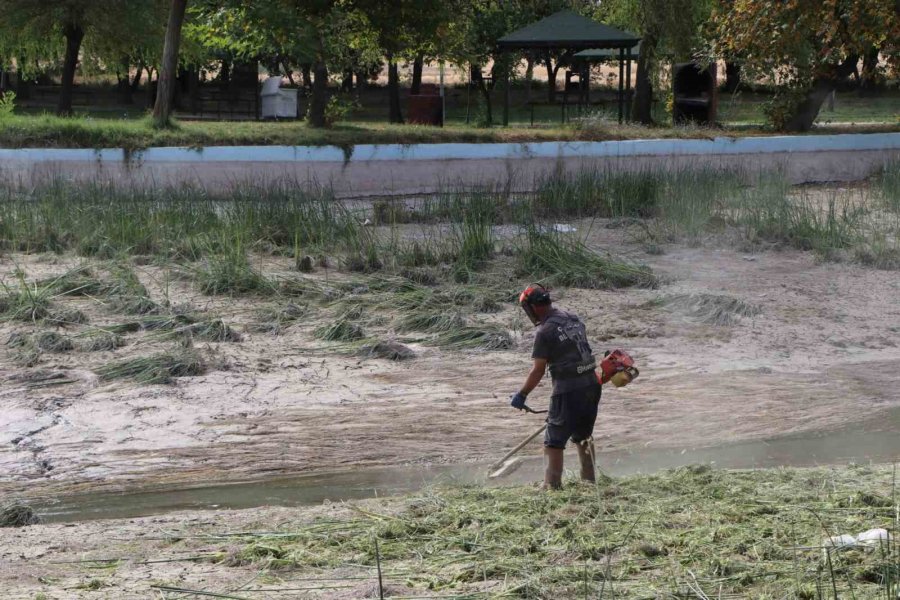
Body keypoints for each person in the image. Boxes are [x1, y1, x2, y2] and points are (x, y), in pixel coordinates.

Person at [510, 284, 602, 489]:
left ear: (533, 307)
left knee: (554, 440)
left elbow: (538, 370)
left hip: (568, 389)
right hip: (591, 384)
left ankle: (551, 486)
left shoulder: (545, 331)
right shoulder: (573, 318)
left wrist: (522, 394)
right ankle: (589, 482)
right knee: (583, 435)